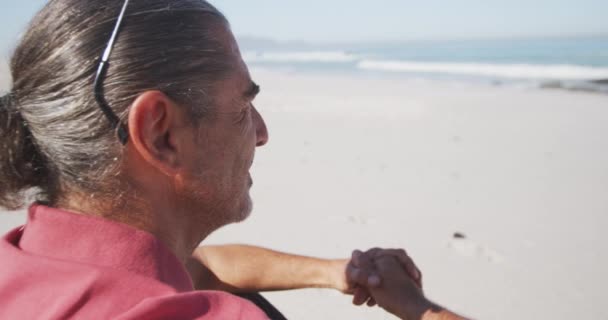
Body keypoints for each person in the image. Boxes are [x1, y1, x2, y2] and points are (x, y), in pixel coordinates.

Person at [0, 0, 468, 319]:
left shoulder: (24, 261)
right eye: (243, 108)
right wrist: (419, 308)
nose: (261, 134)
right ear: (161, 134)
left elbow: (199, 264)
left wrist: (336, 272)